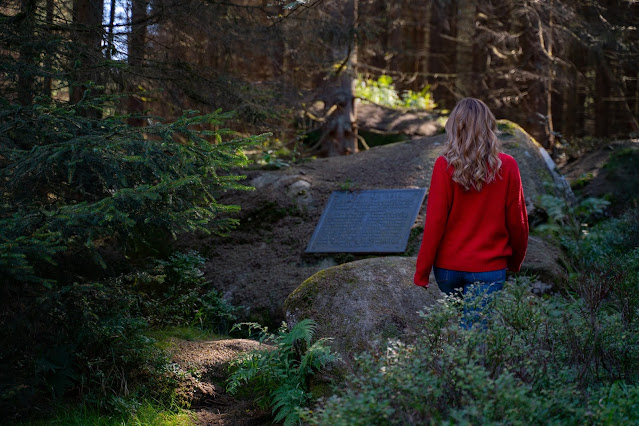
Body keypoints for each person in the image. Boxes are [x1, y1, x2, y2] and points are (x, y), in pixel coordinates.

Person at [413, 98, 528, 325]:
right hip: (489, 269)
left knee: (460, 330)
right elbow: (518, 222)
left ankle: (449, 360)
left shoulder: (444, 165)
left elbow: (434, 223)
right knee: (475, 335)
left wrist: (422, 272)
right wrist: (515, 261)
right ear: (489, 127)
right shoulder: (507, 165)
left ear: (455, 127)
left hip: (447, 270)